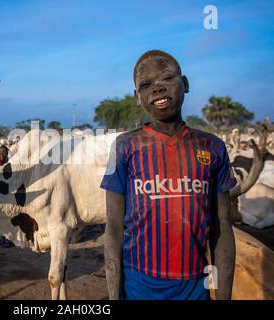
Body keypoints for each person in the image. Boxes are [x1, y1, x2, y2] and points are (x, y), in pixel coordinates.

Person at [101, 50, 236, 300]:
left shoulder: (212, 147)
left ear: (184, 84)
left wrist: (223, 295)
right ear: (137, 97)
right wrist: (113, 294)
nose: (157, 88)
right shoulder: (123, 147)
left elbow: (222, 229)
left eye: (166, 78)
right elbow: (114, 228)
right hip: (139, 285)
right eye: (146, 84)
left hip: (196, 286)